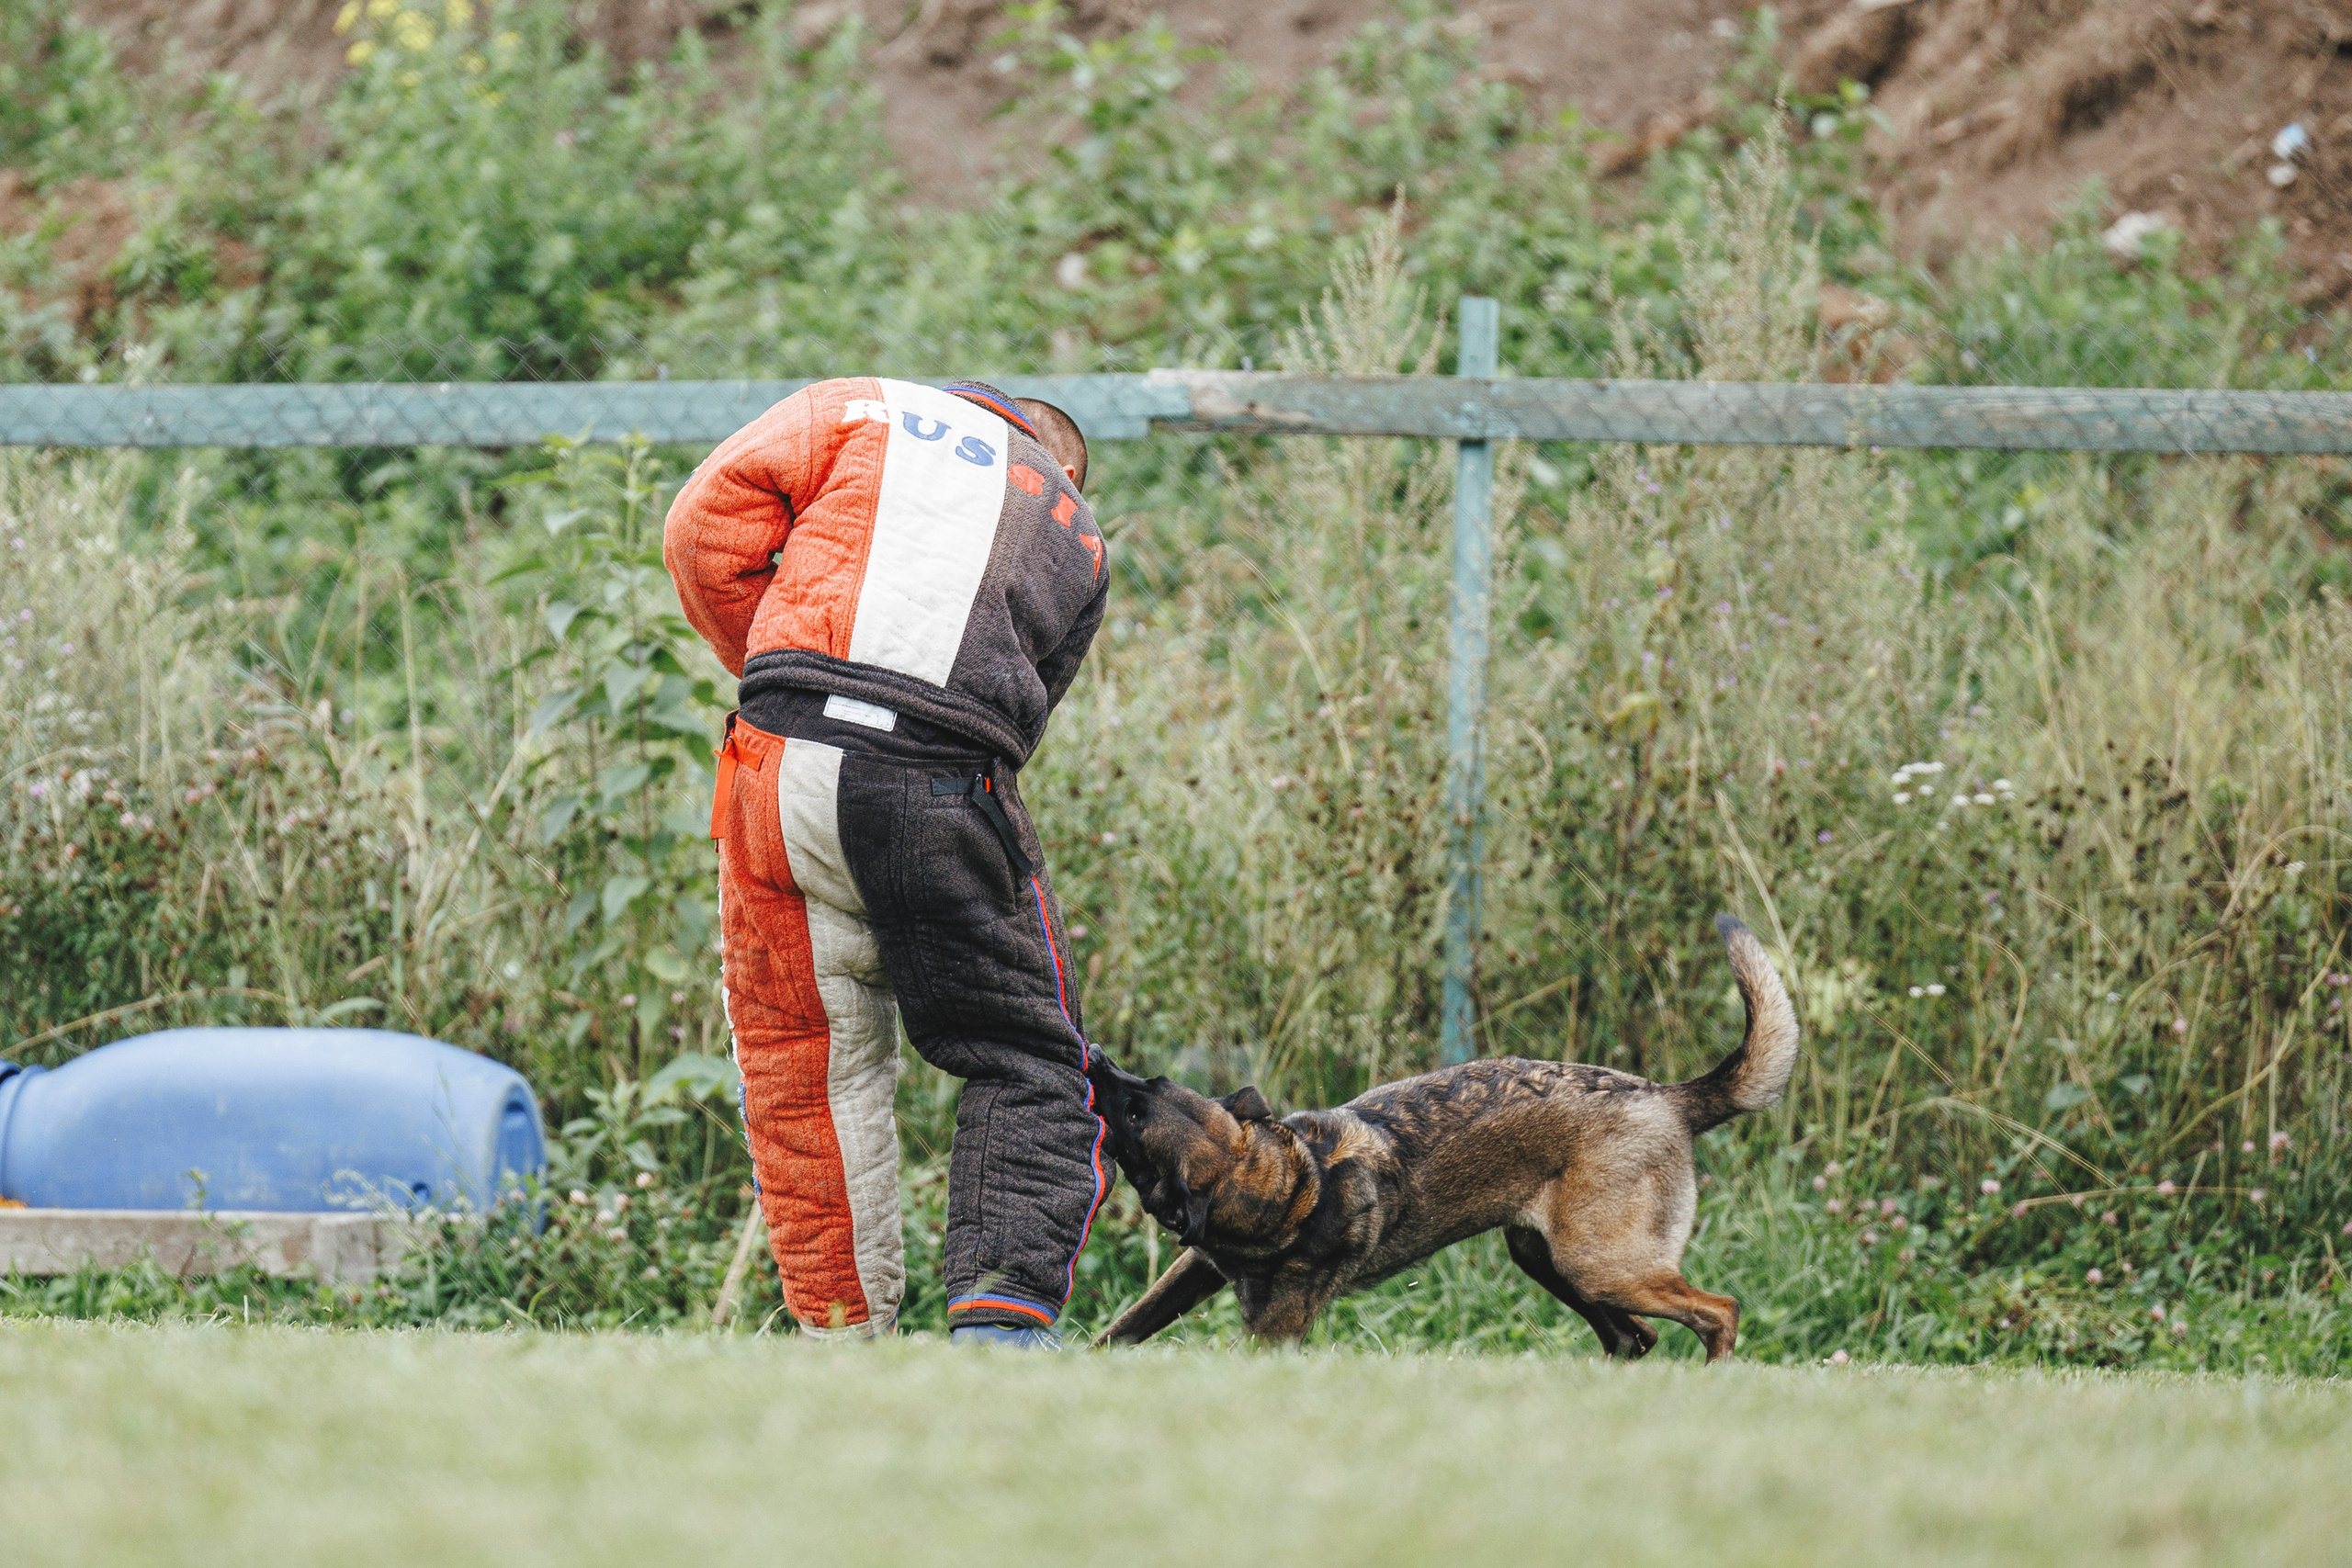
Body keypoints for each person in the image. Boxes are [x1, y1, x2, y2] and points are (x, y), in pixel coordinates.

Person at [663, 378, 1109, 1347]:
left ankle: (840, 1332)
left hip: (776, 758)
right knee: (1023, 1049)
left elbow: (703, 526)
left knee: (803, 1057)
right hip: (940, 777)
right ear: (1059, 460)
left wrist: (774, 664)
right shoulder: (1077, 525)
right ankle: (1001, 1323)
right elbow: (1032, 701)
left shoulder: (854, 406)